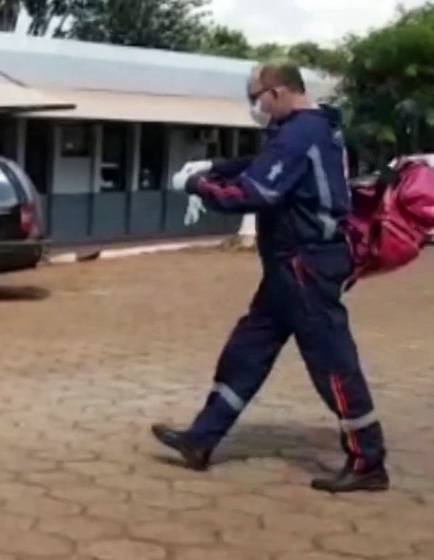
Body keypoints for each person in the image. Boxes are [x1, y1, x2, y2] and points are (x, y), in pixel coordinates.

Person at [152, 62, 388, 494]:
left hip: (307, 264)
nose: (254, 106)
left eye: (255, 97)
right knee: (247, 350)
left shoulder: (302, 132)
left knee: (332, 362)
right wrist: (216, 166)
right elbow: (261, 163)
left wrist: (199, 187)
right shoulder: (306, 129)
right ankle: (202, 439)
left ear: (278, 91)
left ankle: (368, 459)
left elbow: (256, 192)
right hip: (288, 267)